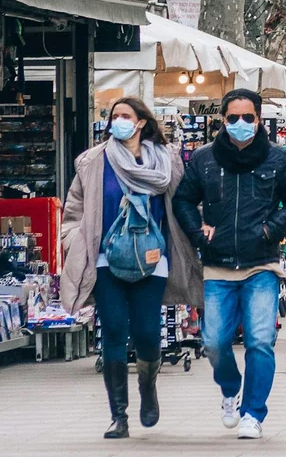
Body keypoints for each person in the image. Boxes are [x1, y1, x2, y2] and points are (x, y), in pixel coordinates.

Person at [61, 96, 201, 439]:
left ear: (141, 122)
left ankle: (148, 386)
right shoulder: (93, 161)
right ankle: (118, 416)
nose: (118, 121)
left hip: (153, 258)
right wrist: (73, 240)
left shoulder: (166, 161)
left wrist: (197, 232)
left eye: (125, 116)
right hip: (106, 259)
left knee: (147, 333)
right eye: (114, 116)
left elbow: (181, 202)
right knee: (112, 330)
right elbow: (74, 209)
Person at [173, 88, 286, 438]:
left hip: (261, 264)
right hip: (217, 266)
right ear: (222, 119)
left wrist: (271, 229)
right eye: (233, 117)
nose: (240, 124)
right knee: (215, 341)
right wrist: (198, 232)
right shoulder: (204, 159)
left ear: (259, 120)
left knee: (260, 340)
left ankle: (253, 413)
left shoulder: (277, 160)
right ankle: (230, 389)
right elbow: (183, 200)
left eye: (248, 117)